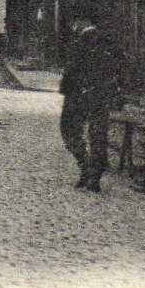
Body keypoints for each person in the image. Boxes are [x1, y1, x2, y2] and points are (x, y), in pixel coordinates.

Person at [60, 16, 117, 192]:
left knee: (69, 130)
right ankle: (95, 176)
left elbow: (71, 71)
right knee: (98, 135)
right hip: (101, 96)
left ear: (80, 22)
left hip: (77, 96)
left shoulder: (78, 43)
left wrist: (66, 89)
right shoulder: (109, 42)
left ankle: (84, 165)